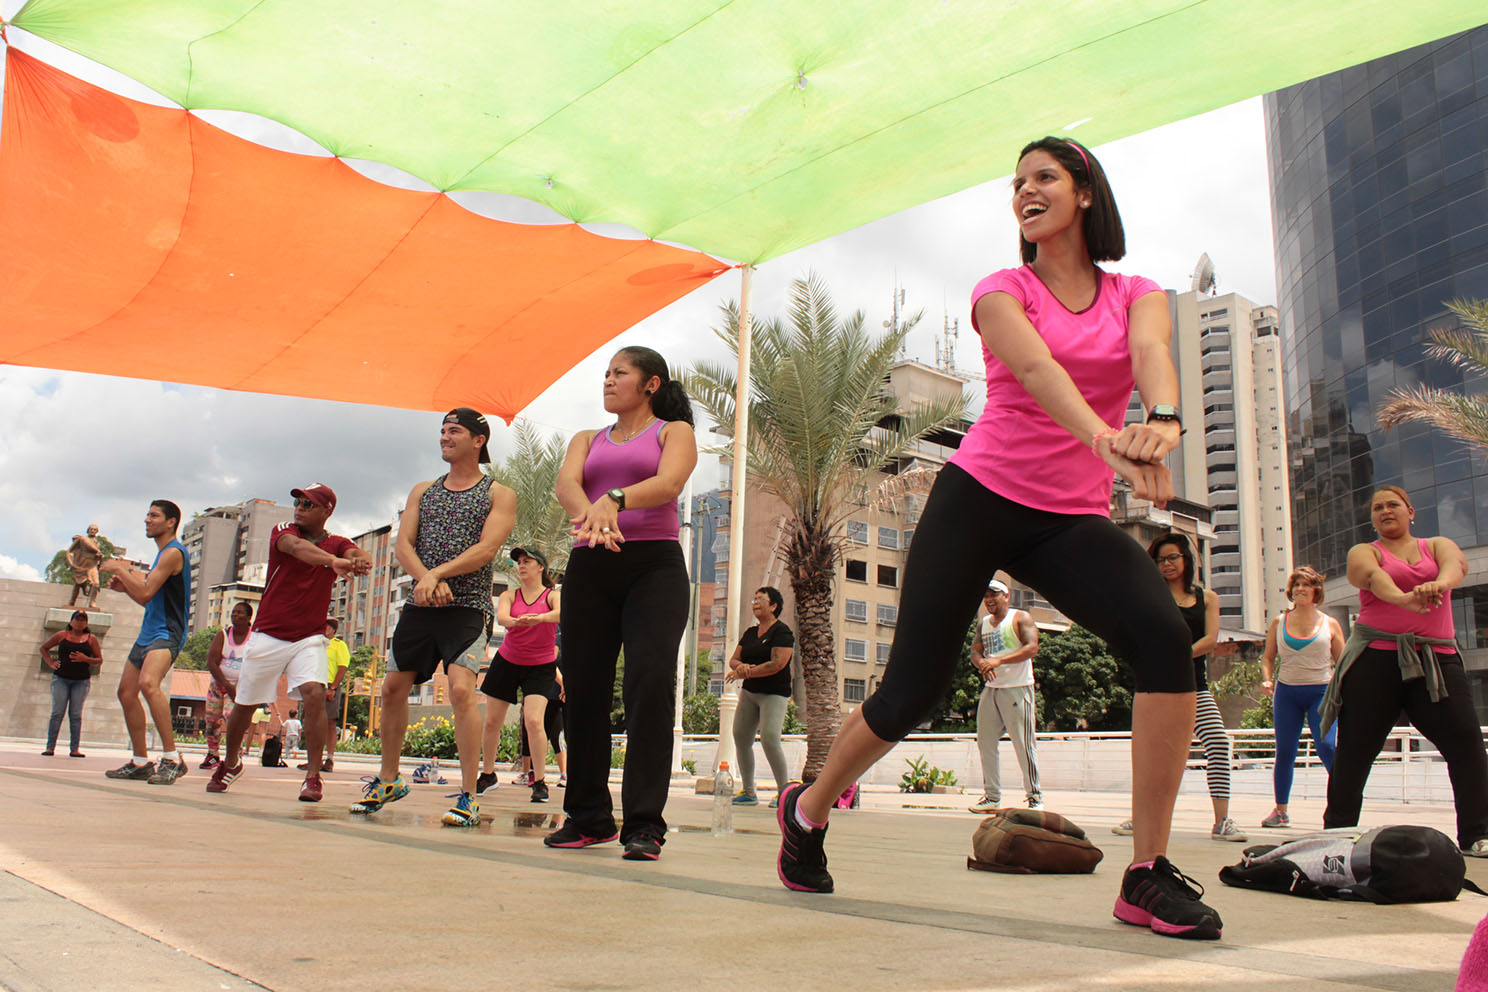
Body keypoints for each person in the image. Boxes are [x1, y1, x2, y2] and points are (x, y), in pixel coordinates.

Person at [773, 137, 1223, 940]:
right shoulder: (1000, 291)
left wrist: (1161, 421)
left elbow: (1153, 354)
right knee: (912, 690)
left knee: (1162, 635)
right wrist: (1106, 440)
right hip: (978, 497)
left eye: (1044, 177)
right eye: (1017, 184)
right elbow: (1044, 373)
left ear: (1085, 192)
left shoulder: (1137, 293)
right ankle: (807, 811)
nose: (1026, 191)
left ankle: (1146, 874)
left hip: (1066, 518)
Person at [545, 346, 696, 861]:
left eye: (619, 373)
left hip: (654, 566)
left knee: (649, 682)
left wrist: (616, 501)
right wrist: (594, 518)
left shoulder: (673, 431)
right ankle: (588, 816)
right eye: (606, 373)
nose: (608, 381)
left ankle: (645, 824)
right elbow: (567, 483)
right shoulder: (586, 439)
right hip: (591, 564)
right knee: (583, 688)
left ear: (651, 383)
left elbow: (670, 482)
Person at [350, 409, 515, 826]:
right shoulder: (422, 491)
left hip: (468, 608)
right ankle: (388, 779)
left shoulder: (499, 493)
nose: (445, 437)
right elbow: (403, 544)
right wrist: (426, 578)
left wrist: (439, 574)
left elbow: (487, 549)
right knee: (391, 688)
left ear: (479, 440)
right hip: (421, 605)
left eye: (454, 431)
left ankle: (468, 794)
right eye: (442, 431)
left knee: (461, 690)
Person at [1321, 485, 1488, 857]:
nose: (1384, 511)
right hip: (1376, 660)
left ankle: (1477, 833)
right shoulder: (1365, 552)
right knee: (1355, 749)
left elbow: (1454, 567)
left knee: (1466, 743)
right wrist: (1403, 599)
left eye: (1393, 505)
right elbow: (1370, 578)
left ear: (1411, 511)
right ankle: (1337, 832)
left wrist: (1437, 586)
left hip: (1436, 659)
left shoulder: (1436, 545)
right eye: (1377, 508)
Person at [205, 484, 368, 801]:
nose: (300, 506)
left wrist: (359, 560)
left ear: (327, 511)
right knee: (245, 704)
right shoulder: (284, 530)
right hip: (268, 633)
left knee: (315, 693)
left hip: (308, 638)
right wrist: (333, 562)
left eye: (309, 503)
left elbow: (355, 552)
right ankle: (231, 762)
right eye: (298, 501)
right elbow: (297, 549)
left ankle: (313, 776)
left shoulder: (337, 542)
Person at [1112, 534, 1246, 841]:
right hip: (1154, 685)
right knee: (1151, 755)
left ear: (1187, 560)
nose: (1167, 564)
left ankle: (1222, 821)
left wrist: (1175, 655)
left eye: (1173, 557)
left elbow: (1210, 640)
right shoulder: (1150, 595)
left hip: (1193, 686)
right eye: (1161, 560)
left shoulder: (1207, 598)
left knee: (1217, 744)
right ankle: (1141, 818)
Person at [101, 500, 191, 785]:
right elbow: (146, 597)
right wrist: (125, 586)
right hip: (148, 632)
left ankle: (173, 758)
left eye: (154, 516)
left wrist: (120, 569)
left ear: (171, 522)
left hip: (168, 633)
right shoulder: (161, 555)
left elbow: (146, 592)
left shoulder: (173, 553)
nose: (147, 520)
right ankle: (141, 761)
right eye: (147, 515)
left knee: (148, 684)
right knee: (126, 693)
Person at [1258, 566, 1342, 828]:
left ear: (1316, 590)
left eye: (1306, 585)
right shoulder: (1278, 622)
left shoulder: (1330, 623)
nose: (1300, 589)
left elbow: (1344, 662)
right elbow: (1268, 658)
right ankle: (1280, 811)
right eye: (1296, 585)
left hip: (1321, 692)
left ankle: (1342, 805)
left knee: (1327, 747)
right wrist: (1267, 678)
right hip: (1288, 693)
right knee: (1285, 751)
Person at [477, 547, 562, 802]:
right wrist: (515, 621)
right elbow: (502, 617)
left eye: (528, 561)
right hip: (507, 661)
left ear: (540, 568)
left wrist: (540, 618)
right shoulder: (509, 596)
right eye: (519, 562)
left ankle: (539, 781)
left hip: (540, 665)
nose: (521, 565)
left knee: (534, 721)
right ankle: (488, 775)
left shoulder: (552, 596)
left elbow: (562, 613)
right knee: (492, 721)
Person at [967, 580, 1041, 813]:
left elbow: (1032, 648)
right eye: (986, 596)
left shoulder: (1020, 618)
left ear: (1006, 596)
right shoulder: (984, 624)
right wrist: (982, 664)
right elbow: (975, 651)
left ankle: (1035, 797)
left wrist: (998, 661)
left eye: (994, 595)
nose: (989, 600)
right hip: (992, 689)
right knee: (985, 743)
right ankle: (992, 797)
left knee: (1023, 744)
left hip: (1018, 687)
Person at [724, 586, 796, 808]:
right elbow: (734, 660)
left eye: (761, 599)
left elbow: (777, 664)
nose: (755, 603)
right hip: (750, 692)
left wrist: (746, 671)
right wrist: (742, 668)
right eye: (754, 599)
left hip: (774, 693)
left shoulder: (782, 632)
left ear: (773, 606)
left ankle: (784, 792)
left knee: (770, 738)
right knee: (740, 736)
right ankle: (748, 791)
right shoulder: (750, 633)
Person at [38, 609, 102, 757]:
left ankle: (74, 748)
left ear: (86, 623)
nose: (79, 622)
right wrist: (51, 663)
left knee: (75, 714)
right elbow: (44, 648)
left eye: (82, 620)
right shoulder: (62, 635)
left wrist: (85, 659)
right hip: (61, 678)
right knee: (57, 712)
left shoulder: (91, 639)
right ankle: (50, 746)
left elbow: (99, 659)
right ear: (71, 621)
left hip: (81, 681)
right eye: (77, 619)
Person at [201, 600, 254, 770]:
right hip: (219, 683)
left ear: (248, 618)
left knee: (233, 717)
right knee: (212, 718)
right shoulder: (222, 635)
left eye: (240, 613)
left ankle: (234, 754)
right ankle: (212, 754)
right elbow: (212, 662)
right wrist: (225, 684)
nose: (235, 615)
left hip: (240, 685)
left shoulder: (254, 638)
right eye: (234, 612)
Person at [319, 619, 351, 772]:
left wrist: (333, 687)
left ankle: (330, 758)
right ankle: (314, 759)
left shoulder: (339, 645)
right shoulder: (317, 643)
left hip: (330, 685)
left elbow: (343, 667)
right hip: (315, 685)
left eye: (326, 627)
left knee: (330, 723)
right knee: (314, 723)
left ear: (333, 630)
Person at [66, 526, 104, 610]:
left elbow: (97, 554)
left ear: (97, 532)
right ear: (88, 530)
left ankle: (92, 602)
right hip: (83, 564)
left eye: (95, 530)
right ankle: (72, 601)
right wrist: (72, 564)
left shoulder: (97, 543)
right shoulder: (82, 539)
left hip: (92, 565)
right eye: (91, 529)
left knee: (96, 584)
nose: (92, 531)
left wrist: (99, 557)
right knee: (78, 583)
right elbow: (69, 551)